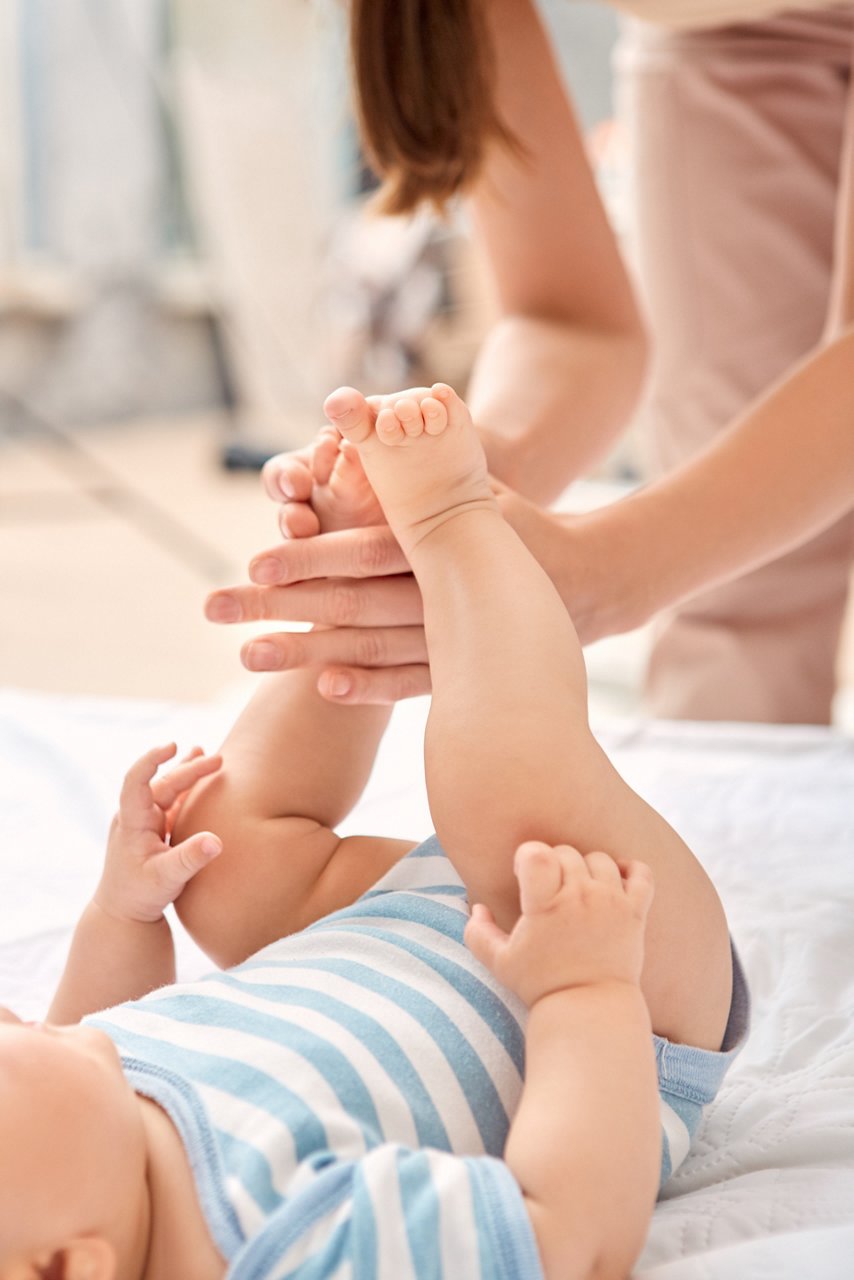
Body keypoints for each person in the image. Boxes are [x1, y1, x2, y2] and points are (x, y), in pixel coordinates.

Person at [0, 383, 747, 1280]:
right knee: (499, 790)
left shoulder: (92, 1125)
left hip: (385, 926)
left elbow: (93, 1022)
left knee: (213, 851)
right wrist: (585, 990)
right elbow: (567, 1239)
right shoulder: (291, 1245)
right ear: (67, 1267)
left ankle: (354, 605)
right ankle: (450, 521)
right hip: (614, 952)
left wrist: (124, 915)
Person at [209, 0, 854, 725]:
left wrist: (610, 570)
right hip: (724, 36)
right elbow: (567, 319)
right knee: (731, 586)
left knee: (680, 550)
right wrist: (475, 470)